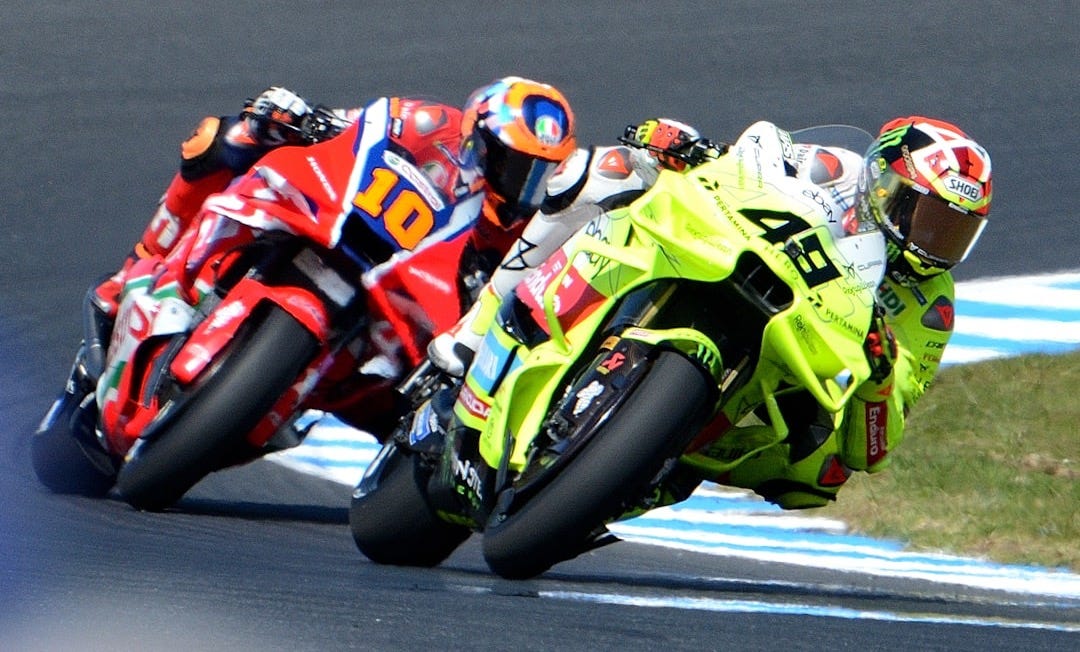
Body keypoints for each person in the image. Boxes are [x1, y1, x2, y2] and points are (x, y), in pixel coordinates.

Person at [686, 116, 994, 509]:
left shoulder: (932, 307)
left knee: (821, 469)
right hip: (731, 262)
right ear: (886, 188)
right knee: (624, 171)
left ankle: (662, 469)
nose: (933, 246)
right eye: (929, 222)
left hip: (793, 355)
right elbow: (750, 159)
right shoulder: (831, 169)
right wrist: (705, 154)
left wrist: (879, 378)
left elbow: (870, 451)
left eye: (954, 232)